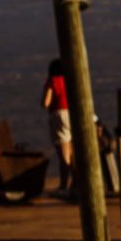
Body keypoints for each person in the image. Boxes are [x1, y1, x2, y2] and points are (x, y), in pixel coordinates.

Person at [40, 58, 72, 191]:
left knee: (63, 155)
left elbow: (46, 103)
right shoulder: (70, 81)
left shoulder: (52, 81)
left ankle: (64, 185)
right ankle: (74, 182)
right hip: (71, 114)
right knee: (72, 153)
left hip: (58, 115)